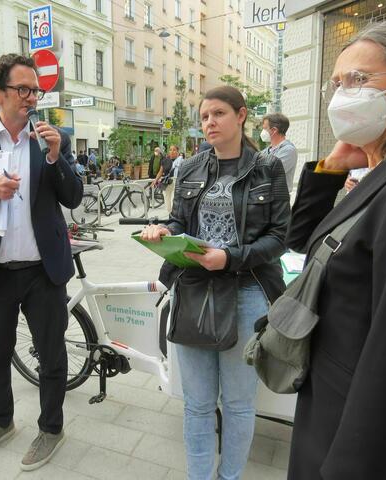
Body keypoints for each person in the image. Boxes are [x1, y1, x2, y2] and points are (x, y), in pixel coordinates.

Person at [285, 21, 386, 479]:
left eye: (360, 80)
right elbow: (306, 247)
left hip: (352, 432)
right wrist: (330, 167)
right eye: (338, 82)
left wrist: (351, 467)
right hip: (329, 404)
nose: (343, 94)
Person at [142, 85, 290, 480]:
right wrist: (163, 231)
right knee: (197, 403)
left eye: (219, 114)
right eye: (205, 116)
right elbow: (179, 222)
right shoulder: (189, 167)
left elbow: (279, 238)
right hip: (193, 291)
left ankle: (230, 476)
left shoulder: (267, 168)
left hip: (246, 292)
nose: (210, 122)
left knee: (240, 403)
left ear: (241, 116)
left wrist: (230, 257)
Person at [0, 53, 83, 471]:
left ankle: (51, 429)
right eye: (22, 89)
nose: (31, 98)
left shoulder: (48, 137)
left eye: (35, 90)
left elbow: (73, 197)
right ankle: (1, 422)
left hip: (43, 271)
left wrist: (58, 156)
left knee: (52, 355)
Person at [260, 113, 298, 193]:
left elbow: (267, 173)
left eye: (265, 128)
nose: (262, 132)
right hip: (263, 198)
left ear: (274, 130)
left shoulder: (288, 150)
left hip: (277, 201)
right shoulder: (265, 151)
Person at [152, 144, 180, 213]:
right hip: (166, 183)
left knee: (174, 201)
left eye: (174, 150)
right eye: (170, 150)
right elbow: (160, 172)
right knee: (167, 204)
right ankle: (170, 217)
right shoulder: (165, 160)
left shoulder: (181, 161)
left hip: (176, 182)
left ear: (177, 151)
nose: (172, 151)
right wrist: (155, 181)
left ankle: (174, 217)